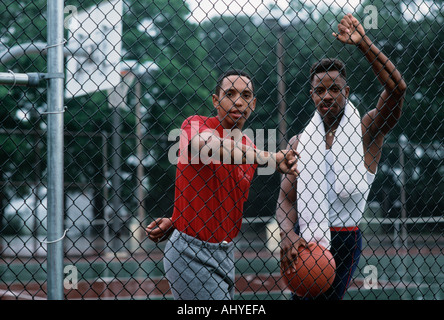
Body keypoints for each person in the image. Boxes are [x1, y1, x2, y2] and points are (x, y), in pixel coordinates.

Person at [276, 13, 407, 300]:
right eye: (319, 90)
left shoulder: (367, 131)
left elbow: (397, 89)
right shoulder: (300, 141)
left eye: (334, 89)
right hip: (305, 236)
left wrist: (363, 44)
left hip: (344, 237)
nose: (326, 96)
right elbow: (286, 199)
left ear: (346, 92)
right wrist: (287, 232)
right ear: (311, 95)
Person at [146, 69, 299, 300]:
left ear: (254, 103)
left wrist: (179, 218)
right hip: (191, 251)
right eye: (230, 93)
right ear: (216, 100)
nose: (238, 101)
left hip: (226, 252)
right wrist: (272, 158)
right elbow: (209, 146)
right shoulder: (194, 125)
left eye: (246, 95)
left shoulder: (249, 149)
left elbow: (219, 196)